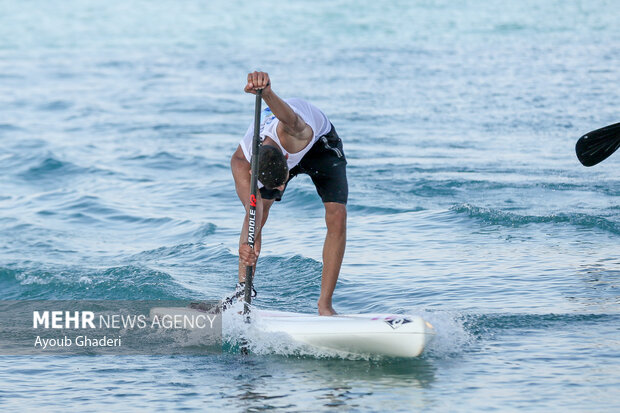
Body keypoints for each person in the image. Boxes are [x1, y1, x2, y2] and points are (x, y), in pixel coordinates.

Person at [230, 71, 348, 316]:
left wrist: (267, 92)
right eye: (277, 186)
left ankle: (325, 306)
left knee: (336, 215)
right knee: (257, 215)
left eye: (281, 183)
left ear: (287, 159)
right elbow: (255, 211)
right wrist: (248, 247)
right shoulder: (242, 161)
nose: (281, 188)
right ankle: (243, 293)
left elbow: (291, 119)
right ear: (253, 172)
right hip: (269, 157)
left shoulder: (297, 131)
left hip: (319, 144)